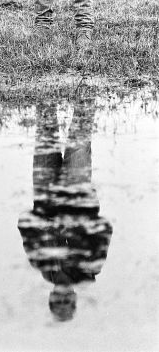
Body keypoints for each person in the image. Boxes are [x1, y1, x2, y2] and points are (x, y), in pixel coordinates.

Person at [17, 97, 113, 321]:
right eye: (66, 301)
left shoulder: (39, 262)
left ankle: (42, 80)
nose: (62, 297)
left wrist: (44, 224)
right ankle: (87, 77)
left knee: (45, 129)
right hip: (77, 191)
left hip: (45, 192)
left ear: (50, 297)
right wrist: (78, 224)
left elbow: (24, 222)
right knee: (81, 134)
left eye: (58, 301)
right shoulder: (90, 267)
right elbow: (105, 228)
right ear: (74, 298)